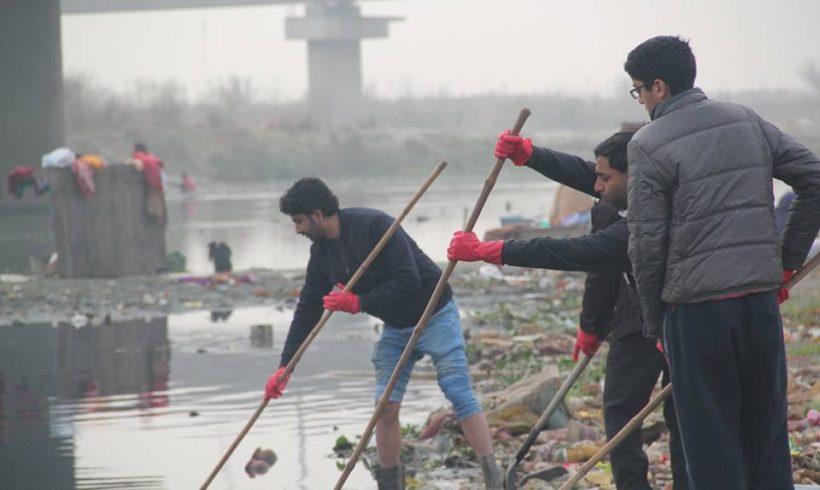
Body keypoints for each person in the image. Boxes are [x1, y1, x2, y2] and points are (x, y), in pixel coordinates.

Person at [623, 35, 820, 489]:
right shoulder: (746, 120)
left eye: (639, 91)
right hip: (758, 303)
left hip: (696, 310)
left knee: (711, 446)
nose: (640, 103)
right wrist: (784, 264)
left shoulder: (648, 143)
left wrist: (655, 326)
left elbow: (646, 245)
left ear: (659, 87)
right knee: (767, 436)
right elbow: (813, 180)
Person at [448, 129, 688, 489]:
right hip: (637, 316)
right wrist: (530, 155)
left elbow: (575, 253)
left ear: (633, 175)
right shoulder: (616, 199)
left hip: (682, 319)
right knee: (624, 414)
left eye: (605, 178)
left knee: (681, 413)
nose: (598, 186)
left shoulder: (647, 223)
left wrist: (491, 251)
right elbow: (601, 269)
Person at [264, 178, 502, 490]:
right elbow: (308, 308)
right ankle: (390, 486)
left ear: (318, 214)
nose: (297, 230)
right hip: (396, 326)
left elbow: (410, 279)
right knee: (385, 407)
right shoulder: (321, 255)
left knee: (458, 392)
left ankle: (494, 480)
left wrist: (359, 302)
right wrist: (286, 366)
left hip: (435, 313)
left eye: (298, 221)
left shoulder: (375, 226)